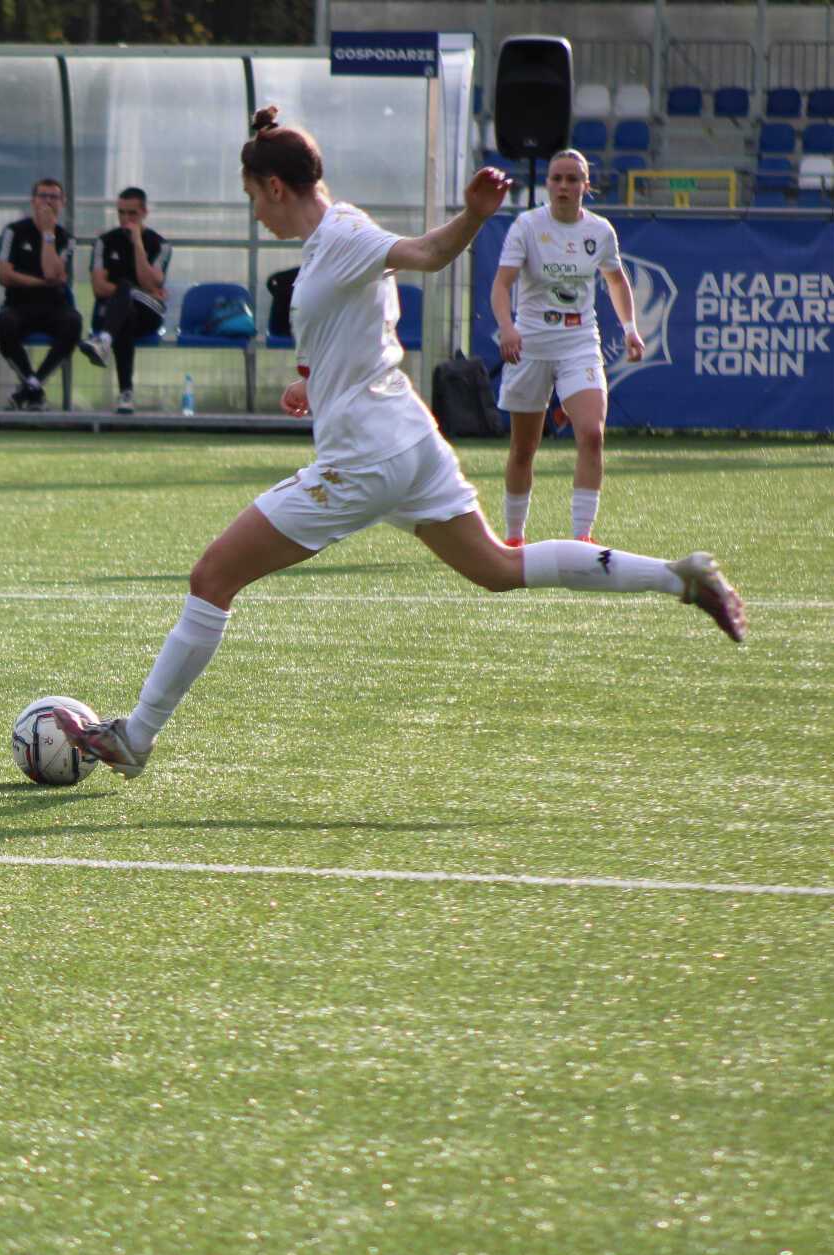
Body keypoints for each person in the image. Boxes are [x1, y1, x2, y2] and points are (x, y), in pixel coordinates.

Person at [57, 107, 744, 782]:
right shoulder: (327, 244)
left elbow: (427, 254)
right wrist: (309, 383)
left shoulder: (344, 234)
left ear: (276, 187)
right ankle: (678, 577)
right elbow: (352, 330)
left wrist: (473, 216)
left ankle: (137, 735)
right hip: (409, 442)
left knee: (212, 578)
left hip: (365, 458)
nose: (255, 213)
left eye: (252, 197)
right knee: (498, 568)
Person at [490, 151, 642, 545]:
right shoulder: (527, 225)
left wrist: (630, 329)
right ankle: (514, 539)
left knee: (591, 434)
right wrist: (507, 328)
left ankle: (582, 538)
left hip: (579, 342)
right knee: (524, 447)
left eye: (572, 179)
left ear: (585, 186)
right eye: (556, 178)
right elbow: (502, 284)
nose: (563, 186)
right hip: (531, 344)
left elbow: (617, 281)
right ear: (547, 184)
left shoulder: (600, 231)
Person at [0, 178, 83, 411]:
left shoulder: (66, 239)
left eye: (54, 197)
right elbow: (4, 275)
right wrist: (41, 282)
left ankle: (30, 386)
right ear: (33, 201)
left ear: (62, 202)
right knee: (4, 323)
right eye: (43, 196)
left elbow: (52, 272)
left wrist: (47, 234)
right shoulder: (13, 231)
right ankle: (34, 390)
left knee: (73, 323)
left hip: (54, 306)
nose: (48, 202)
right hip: (18, 304)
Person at [84, 186, 169, 415]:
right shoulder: (105, 242)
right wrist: (139, 290)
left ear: (144, 212)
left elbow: (150, 282)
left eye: (132, 213)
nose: (125, 219)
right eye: (121, 212)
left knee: (125, 289)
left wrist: (138, 243)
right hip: (114, 314)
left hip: (149, 313)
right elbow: (98, 288)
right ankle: (126, 394)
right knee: (125, 315)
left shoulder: (160, 245)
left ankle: (103, 340)